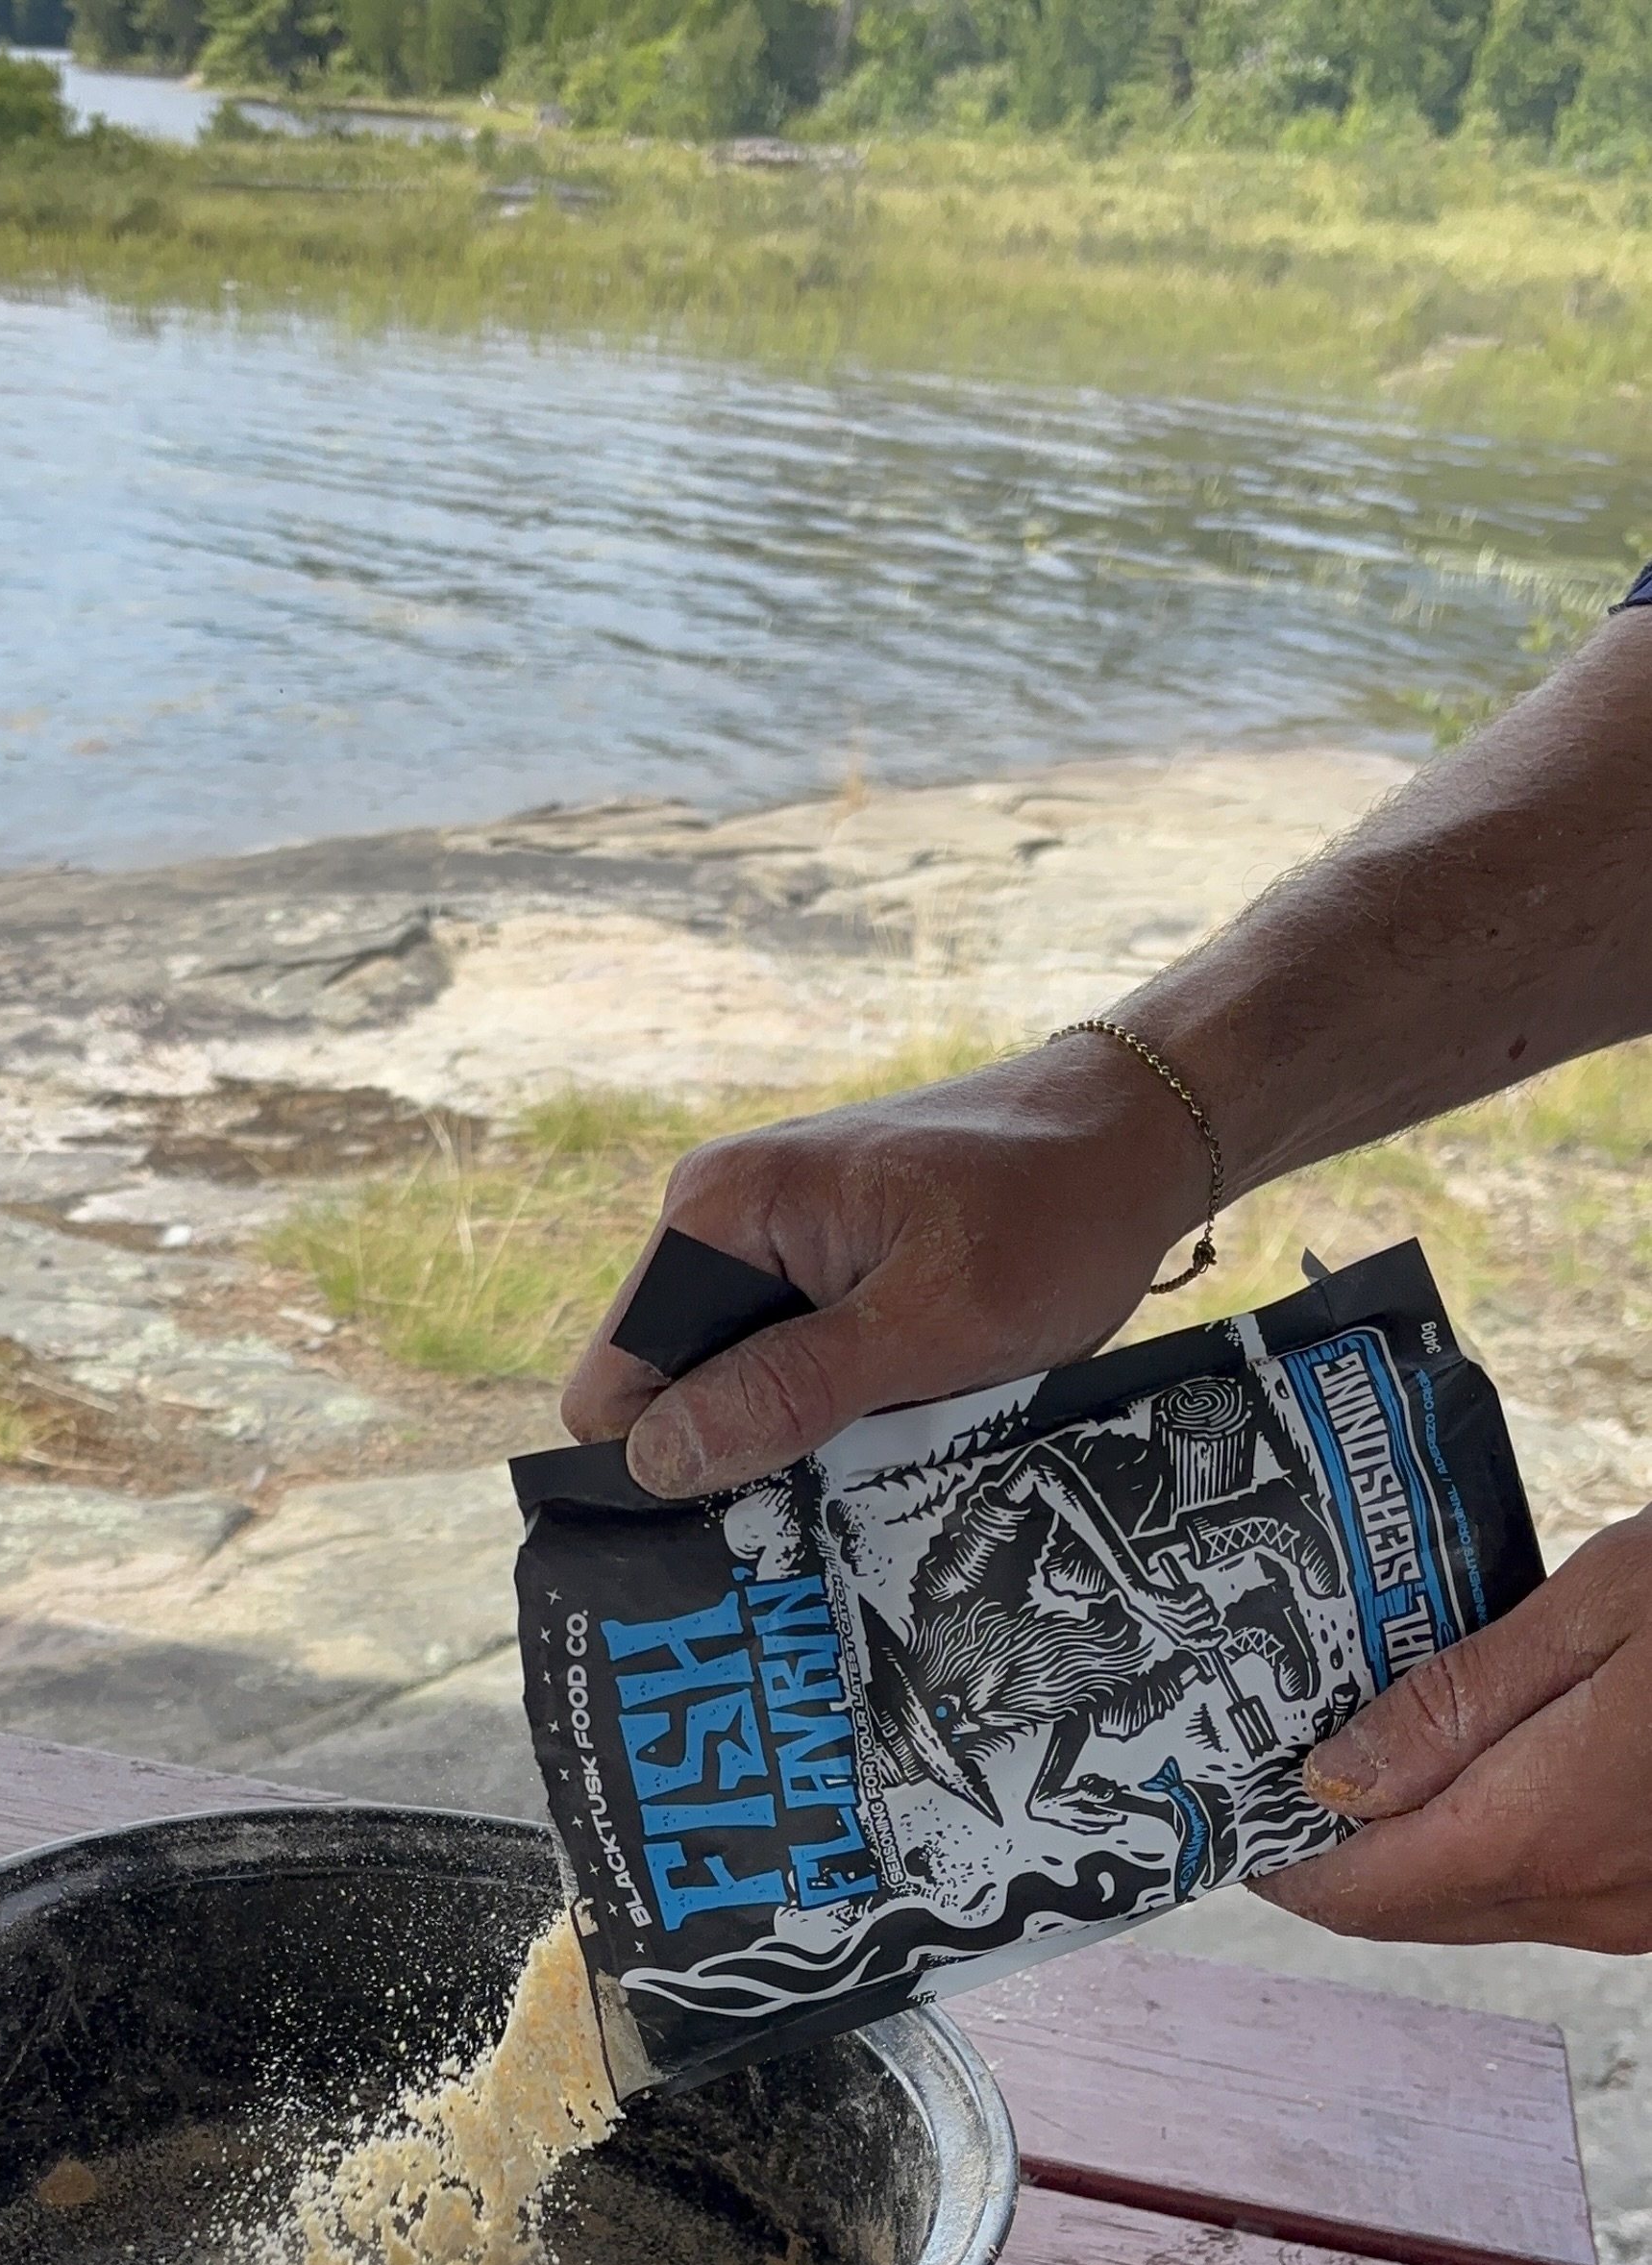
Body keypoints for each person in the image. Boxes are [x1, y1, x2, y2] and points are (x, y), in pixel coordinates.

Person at [562, 597, 1652, 1957]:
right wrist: (1133, 1117)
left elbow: (1064, 1555)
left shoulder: (992, 1624)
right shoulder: (1029, 1678)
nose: (970, 1719)